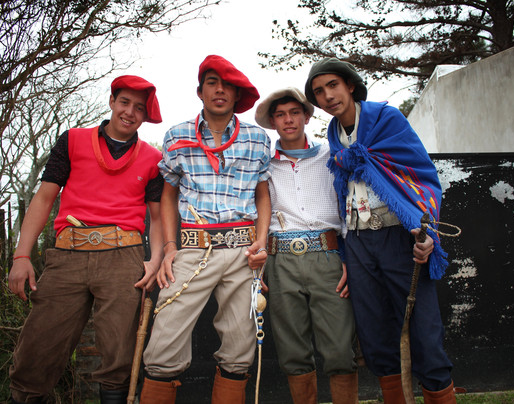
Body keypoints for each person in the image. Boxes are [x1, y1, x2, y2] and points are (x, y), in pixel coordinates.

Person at [304, 58, 457, 403]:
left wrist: (426, 231)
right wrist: (347, 252)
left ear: (350, 85)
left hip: (398, 236)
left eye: (333, 85)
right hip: (358, 241)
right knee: (373, 332)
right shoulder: (334, 136)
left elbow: (422, 177)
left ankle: (438, 392)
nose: (328, 96)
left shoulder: (387, 119)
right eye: (319, 91)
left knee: (424, 330)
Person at [8, 75, 165, 404]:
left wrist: (155, 259)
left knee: (119, 353)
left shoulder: (153, 158)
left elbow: (158, 216)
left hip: (124, 256)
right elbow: (44, 198)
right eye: (124, 102)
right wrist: (21, 256)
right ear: (111, 102)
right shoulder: (73, 140)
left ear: (145, 115)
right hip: (68, 254)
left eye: (139, 108)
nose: (130, 112)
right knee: (38, 348)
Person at [139, 55, 271, 404]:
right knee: (164, 339)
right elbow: (168, 194)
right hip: (193, 247)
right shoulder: (177, 135)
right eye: (212, 83)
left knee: (241, 345)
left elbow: (263, 194)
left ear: (237, 94)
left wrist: (261, 242)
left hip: (243, 251)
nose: (220, 90)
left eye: (228, 85)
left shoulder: (257, 138)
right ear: (200, 91)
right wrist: (170, 248)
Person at [254, 87, 358, 404]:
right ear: (273, 122)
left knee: (340, 348)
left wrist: (348, 258)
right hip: (281, 259)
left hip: (327, 256)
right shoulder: (263, 164)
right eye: (280, 115)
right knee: (292, 350)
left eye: (294, 113)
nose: (288, 120)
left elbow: (347, 204)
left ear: (307, 117)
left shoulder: (330, 155)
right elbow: (259, 210)